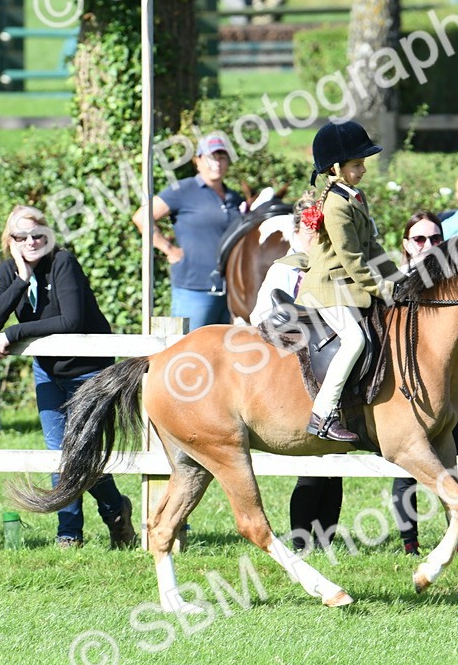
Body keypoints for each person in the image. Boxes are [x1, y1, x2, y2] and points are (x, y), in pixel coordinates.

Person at [0, 205, 138, 550]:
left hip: (89, 370)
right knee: (59, 454)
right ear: (11, 241)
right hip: (47, 370)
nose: (31, 241)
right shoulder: (10, 270)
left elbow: (71, 320)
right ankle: (70, 532)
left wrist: (15, 332)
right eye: (22, 237)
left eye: (38, 235)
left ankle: (114, 512)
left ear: (48, 236)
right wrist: (21, 279)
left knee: (82, 451)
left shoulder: (63, 262)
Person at [249, 190, 344, 552]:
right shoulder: (285, 269)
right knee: (313, 461)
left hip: (330, 362)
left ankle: (325, 540)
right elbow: (261, 318)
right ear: (296, 230)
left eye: (321, 228)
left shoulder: (334, 265)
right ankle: (302, 540)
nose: (315, 236)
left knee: (334, 459)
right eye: (309, 228)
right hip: (293, 368)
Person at [297, 120, 399, 443]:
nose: (363, 170)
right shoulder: (336, 205)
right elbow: (353, 260)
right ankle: (323, 413)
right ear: (336, 168)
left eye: (363, 163)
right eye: (357, 165)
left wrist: (398, 278)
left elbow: (372, 247)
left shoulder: (355, 196)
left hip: (345, 285)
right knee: (354, 340)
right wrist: (384, 289)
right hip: (327, 288)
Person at [132, 134, 245, 332]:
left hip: (230, 291)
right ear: (197, 161)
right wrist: (169, 249)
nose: (217, 163)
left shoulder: (234, 197)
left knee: (223, 350)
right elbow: (142, 217)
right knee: (187, 348)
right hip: (194, 290)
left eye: (222, 157)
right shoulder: (182, 190)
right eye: (211, 157)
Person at [391, 210, 448, 554]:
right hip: (404, 380)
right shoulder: (395, 281)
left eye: (436, 238)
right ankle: (409, 542)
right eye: (420, 239)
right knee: (407, 467)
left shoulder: (454, 282)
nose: (428, 245)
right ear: (407, 244)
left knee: (451, 462)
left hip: (443, 384)